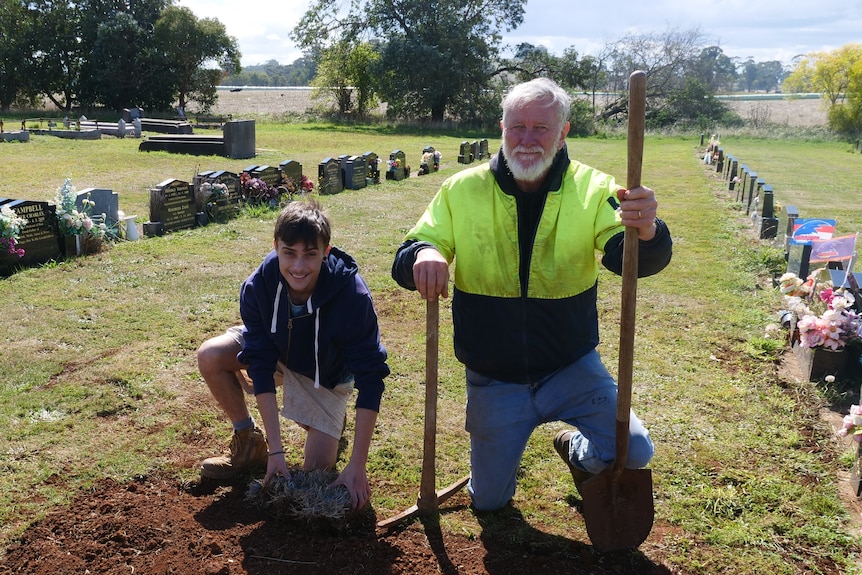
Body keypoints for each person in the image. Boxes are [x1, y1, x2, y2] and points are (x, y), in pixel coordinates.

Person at [391, 77, 673, 511]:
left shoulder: (597, 190)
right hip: (494, 377)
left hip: (571, 367)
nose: (526, 139)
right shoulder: (461, 189)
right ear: (501, 128)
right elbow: (410, 251)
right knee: (488, 502)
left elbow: (631, 257)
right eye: (516, 127)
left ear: (563, 133)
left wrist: (647, 228)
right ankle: (496, 465)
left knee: (634, 450)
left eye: (541, 128)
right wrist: (425, 253)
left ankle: (575, 448)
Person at [198, 198, 389, 510]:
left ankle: (329, 424)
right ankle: (248, 442)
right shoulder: (258, 286)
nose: (298, 267)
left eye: (310, 255)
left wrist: (357, 464)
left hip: (324, 375)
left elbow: (371, 377)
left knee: (316, 469)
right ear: (276, 247)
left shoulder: (352, 296)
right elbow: (259, 362)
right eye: (289, 253)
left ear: (326, 251)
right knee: (211, 355)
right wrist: (276, 451)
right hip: (277, 351)